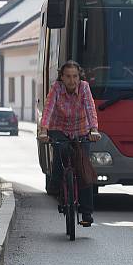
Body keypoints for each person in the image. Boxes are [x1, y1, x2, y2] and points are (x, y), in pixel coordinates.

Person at [38, 60, 101, 226]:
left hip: (81, 129)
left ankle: (86, 214)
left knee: (83, 169)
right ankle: (56, 184)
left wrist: (94, 130)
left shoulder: (84, 88)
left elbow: (90, 109)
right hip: (59, 128)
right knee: (60, 154)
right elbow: (49, 109)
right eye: (68, 77)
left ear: (79, 77)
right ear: (62, 77)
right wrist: (43, 131)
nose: (72, 81)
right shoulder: (56, 88)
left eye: (75, 76)